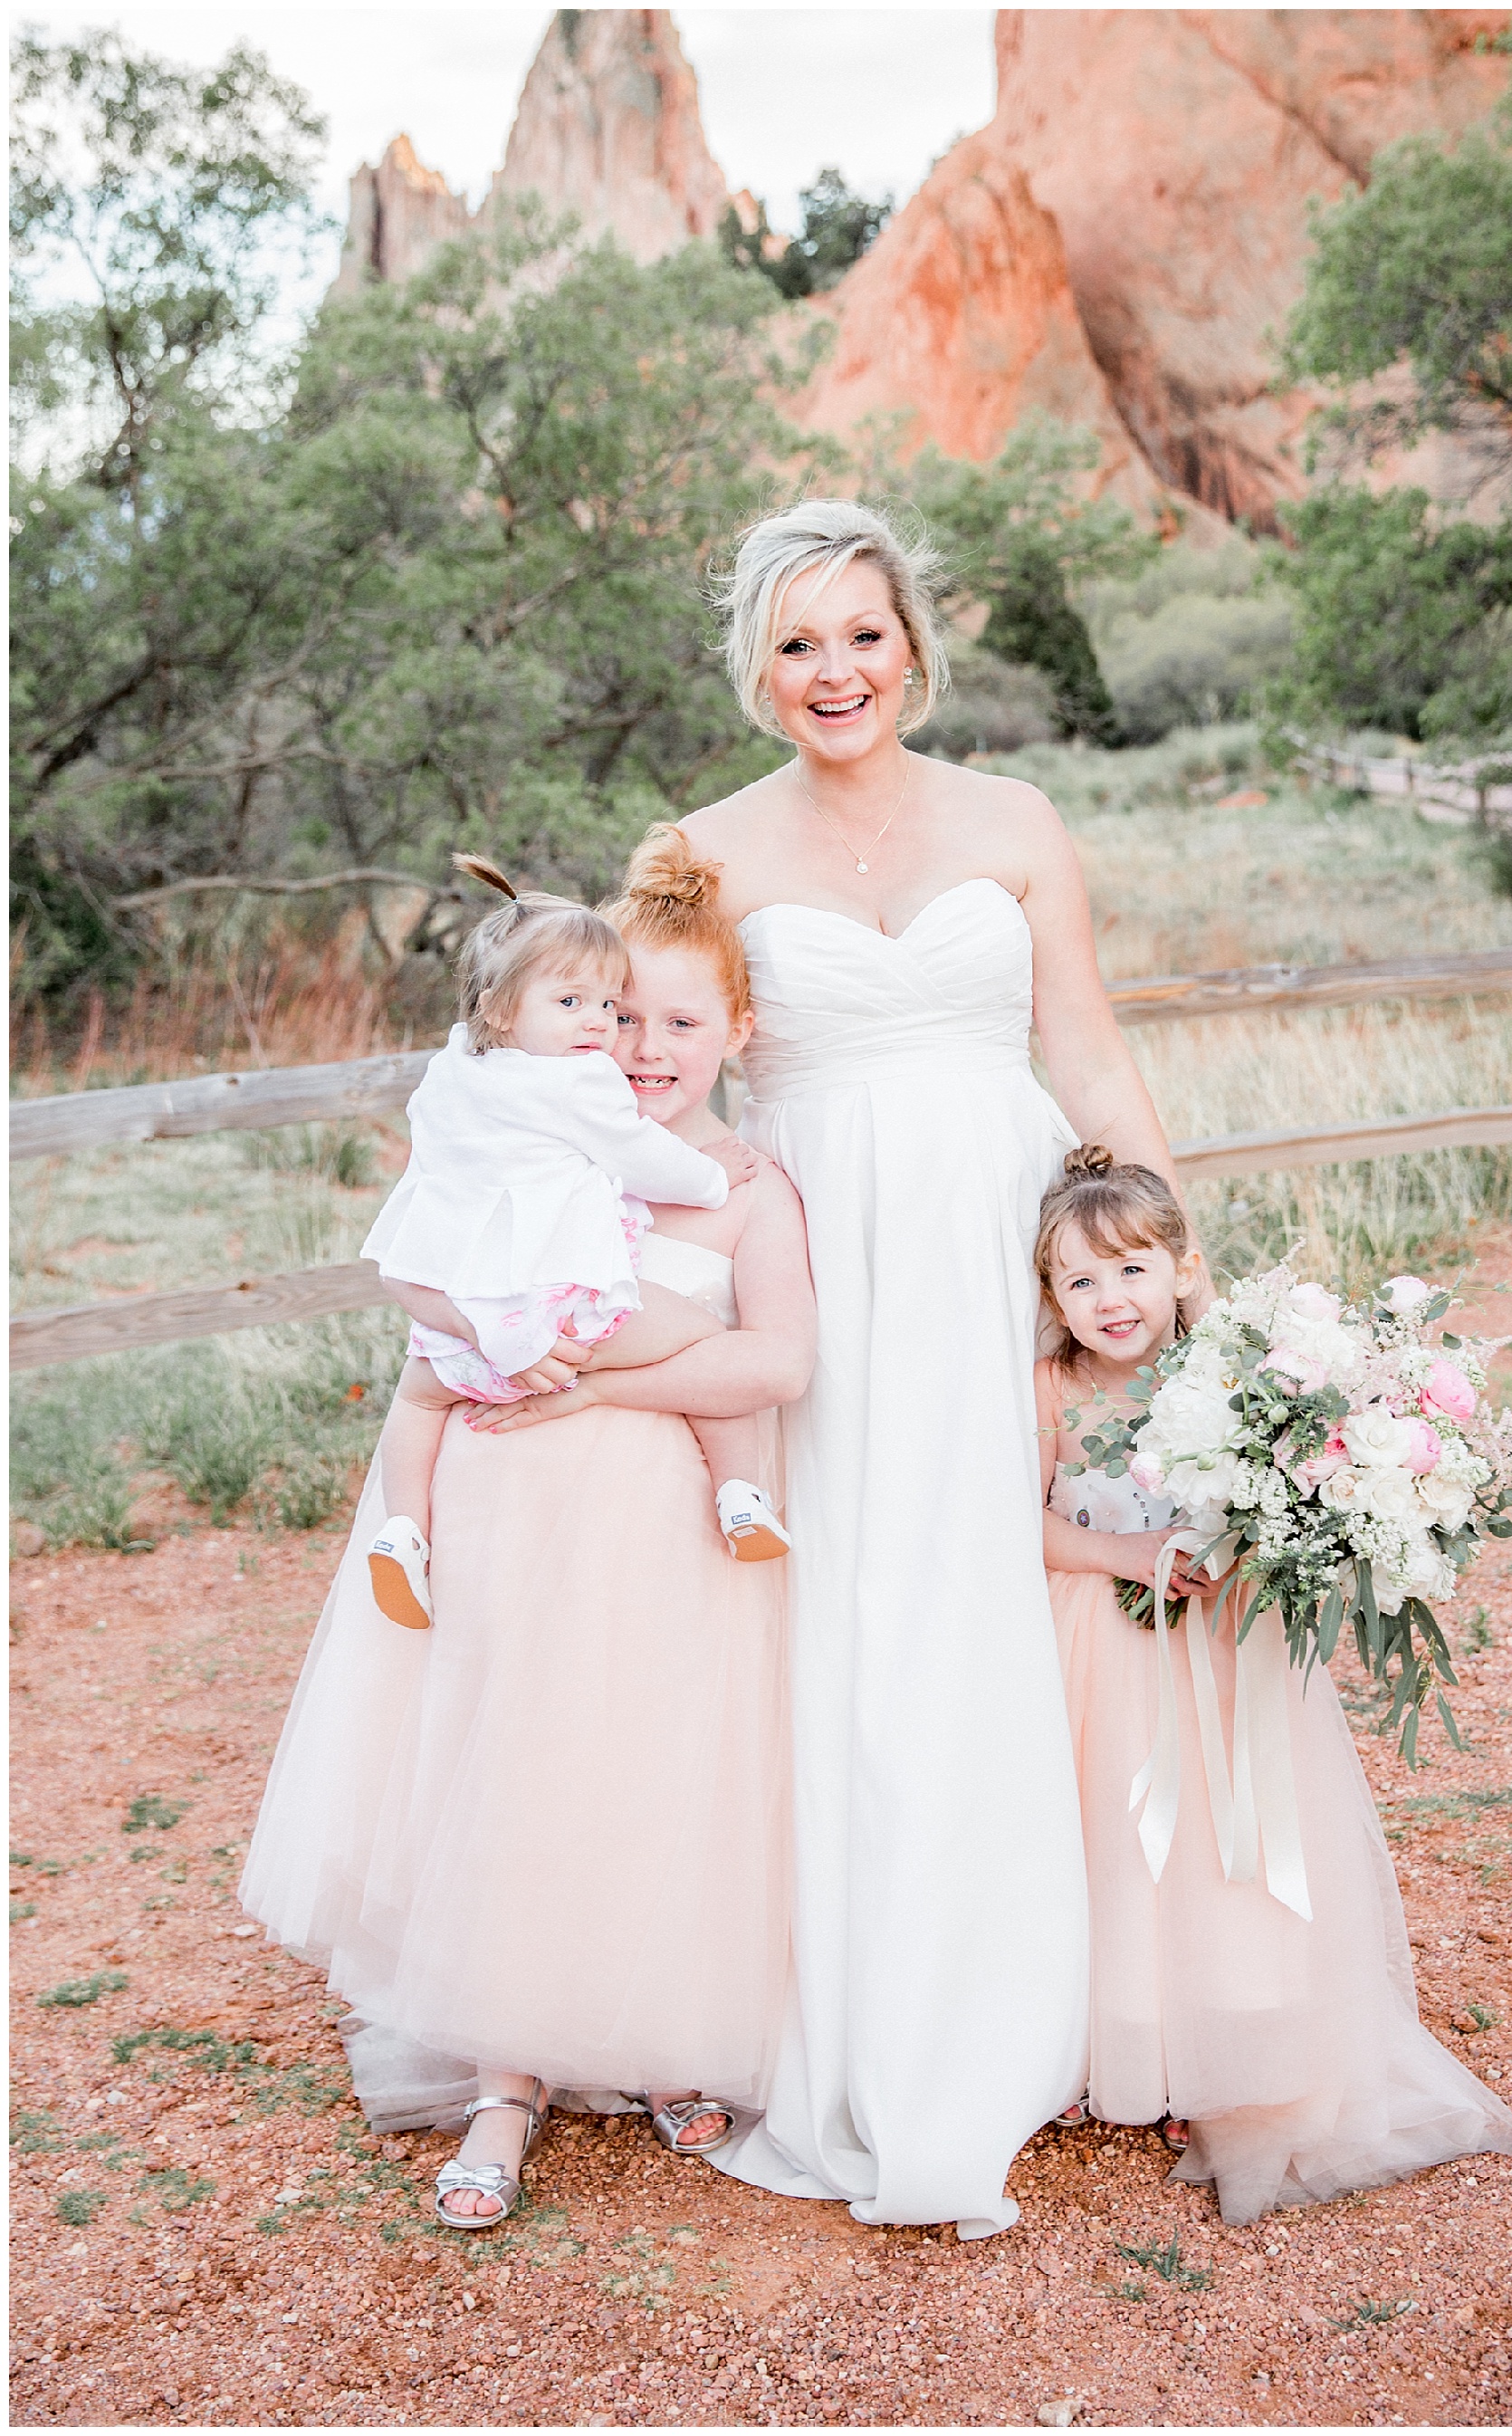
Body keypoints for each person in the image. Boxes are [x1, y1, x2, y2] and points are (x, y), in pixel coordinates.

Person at [677, 497, 1196, 2239]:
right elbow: (656, 1081)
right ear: (761, 664)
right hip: (824, 1268)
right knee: (859, 1612)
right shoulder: (700, 851)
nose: (838, 672)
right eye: (801, 642)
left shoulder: (1017, 818)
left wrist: (1183, 1272)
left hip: (999, 1247)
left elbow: (1089, 1053)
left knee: (1002, 1583)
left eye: (865, 635)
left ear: (915, 645)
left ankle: (1052, 1990)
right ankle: (855, 2000)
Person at [239, 830, 816, 2226]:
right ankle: (507, 2075)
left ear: (736, 1034)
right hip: (518, 1519)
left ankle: (656, 2034)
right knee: (519, 1769)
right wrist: (484, 1344)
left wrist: (586, 1377)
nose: (642, 1046)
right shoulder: (525, 1149)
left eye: (678, 1022)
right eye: (619, 1017)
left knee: (656, 1770)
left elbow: (777, 1369)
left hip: (672, 1531)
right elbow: (428, 1292)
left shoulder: (743, 1189)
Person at [1035, 1145, 1512, 2223]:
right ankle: (1115, 2049)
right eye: (1079, 1280)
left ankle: (1221, 2044)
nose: (1109, 1298)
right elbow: (1018, 1520)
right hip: (1100, 1644)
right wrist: (1130, 1557)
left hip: (1222, 1646)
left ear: (1182, 1266)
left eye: (1130, 1268)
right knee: (1113, 1840)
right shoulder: (1055, 1388)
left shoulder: (1229, 1371)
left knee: (1230, 1842)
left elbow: (1283, 1491)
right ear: (1052, 1299)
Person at [362, 856, 781, 1631]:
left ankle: (402, 1527)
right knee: (697, 1332)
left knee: (414, 1399)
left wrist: (488, 1331)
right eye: (607, 1013)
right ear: (501, 1010)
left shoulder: (453, 1082)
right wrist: (713, 1177)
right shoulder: (583, 1089)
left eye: (606, 1006)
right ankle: (740, 1491)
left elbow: (403, 1253)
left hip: (470, 1339)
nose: (613, 1034)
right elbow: (644, 1159)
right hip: (563, 1324)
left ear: (736, 1033)